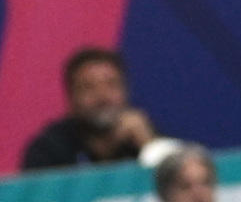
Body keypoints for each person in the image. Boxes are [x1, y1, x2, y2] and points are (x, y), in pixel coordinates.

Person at [15, 52, 151, 174]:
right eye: (88, 87)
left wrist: (148, 144)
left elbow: (165, 184)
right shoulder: (48, 149)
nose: (103, 97)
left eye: (112, 85)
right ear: (71, 97)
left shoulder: (142, 135)